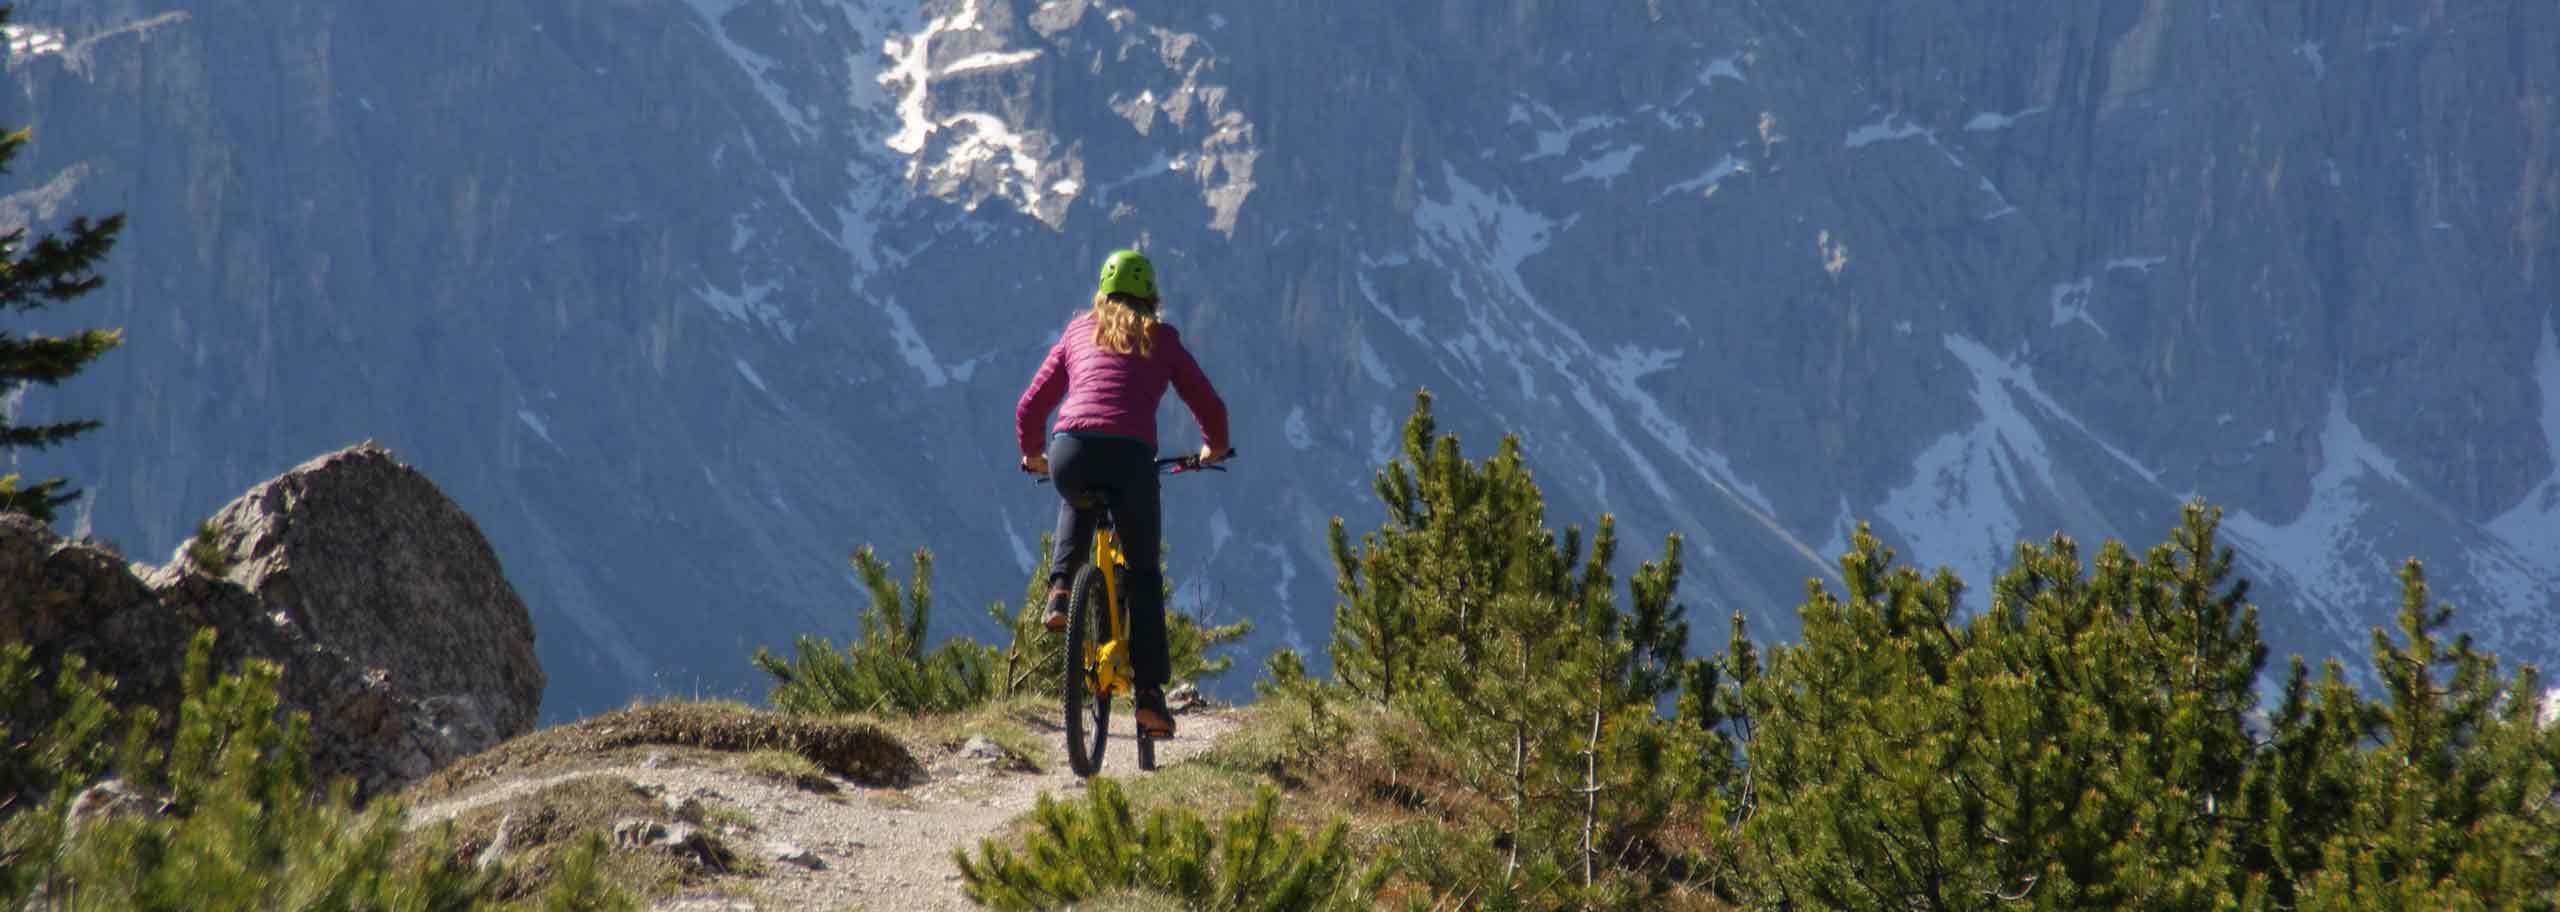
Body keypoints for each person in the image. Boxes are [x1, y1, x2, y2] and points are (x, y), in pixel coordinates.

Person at [1015, 249, 1229, 738]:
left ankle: (1060, 588)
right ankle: (1150, 699)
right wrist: (1212, 447)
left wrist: (1033, 455)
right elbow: (1208, 403)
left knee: (1077, 497)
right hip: (1132, 458)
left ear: (1102, 293)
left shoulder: (1077, 331)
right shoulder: (1162, 338)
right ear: (1151, 298)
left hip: (1071, 449)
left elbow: (1030, 406)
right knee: (1143, 576)